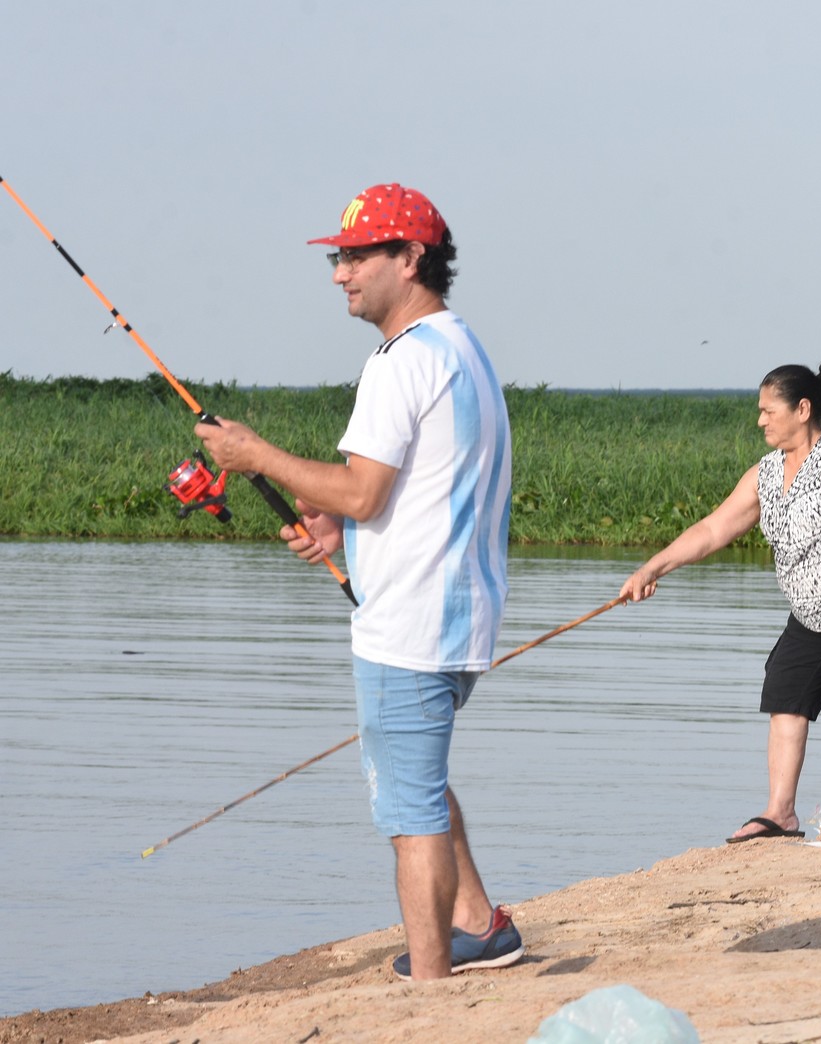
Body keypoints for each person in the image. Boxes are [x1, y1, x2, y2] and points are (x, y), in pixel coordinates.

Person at [195, 183, 522, 980]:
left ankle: (431, 983)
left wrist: (254, 455)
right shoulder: (460, 346)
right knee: (421, 780)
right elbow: (412, 488)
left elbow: (363, 491)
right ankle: (479, 926)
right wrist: (339, 526)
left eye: (355, 257)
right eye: (337, 259)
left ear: (409, 258)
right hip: (459, 615)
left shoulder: (402, 361)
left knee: (409, 814)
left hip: (409, 624)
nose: (340, 274)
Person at [620, 363, 821, 842]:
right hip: (809, 615)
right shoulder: (767, 472)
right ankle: (781, 814)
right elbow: (713, 528)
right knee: (786, 697)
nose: (760, 420)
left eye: (768, 410)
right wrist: (653, 568)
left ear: (802, 409)